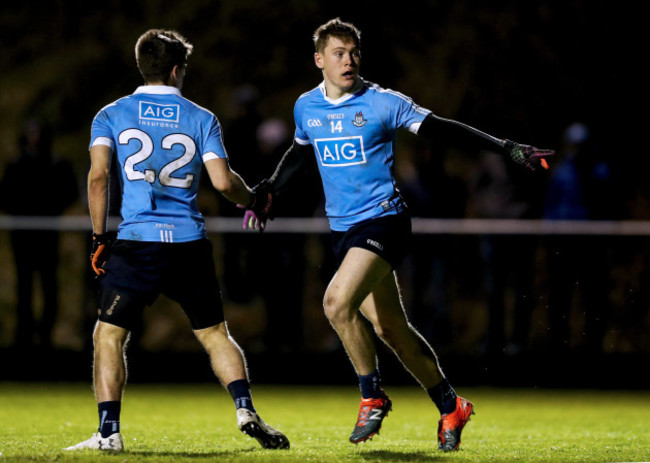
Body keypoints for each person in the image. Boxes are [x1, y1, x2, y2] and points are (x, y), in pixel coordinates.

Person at [241, 18, 553, 451]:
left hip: (384, 221)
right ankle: (450, 404)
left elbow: (443, 128)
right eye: (338, 53)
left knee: (335, 302)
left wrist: (504, 147)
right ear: (319, 60)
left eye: (353, 52)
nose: (348, 60)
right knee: (390, 329)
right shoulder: (305, 107)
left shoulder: (383, 102)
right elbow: (299, 151)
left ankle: (371, 395)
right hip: (344, 231)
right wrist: (270, 189)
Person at [64, 29, 289, 452]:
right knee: (215, 334)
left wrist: (98, 236)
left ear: (141, 65)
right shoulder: (201, 117)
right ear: (175, 69)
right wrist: (254, 201)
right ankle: (245, 408)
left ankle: (109, 433)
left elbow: (98, 177)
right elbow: (223, 182)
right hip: (188, 242)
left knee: (109, 335)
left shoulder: (111, 113)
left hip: (137, 242)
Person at [0, 118, 78, 350]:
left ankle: (46, 335)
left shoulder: (57, 165)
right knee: (24, 286)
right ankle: (23, 335)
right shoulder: (15, 167)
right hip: (22, 236)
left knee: (48, 285)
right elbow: (4, 196)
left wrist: (51, 210)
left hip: (47, 236)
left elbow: (70, 192)